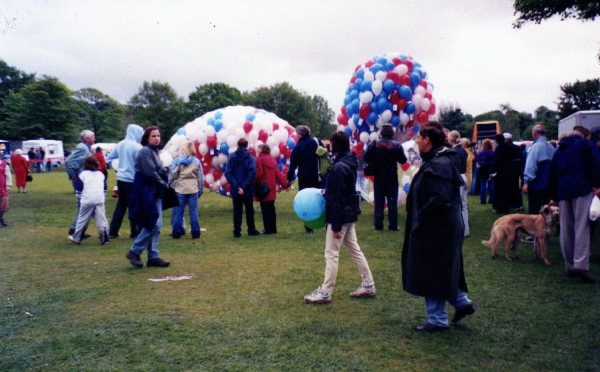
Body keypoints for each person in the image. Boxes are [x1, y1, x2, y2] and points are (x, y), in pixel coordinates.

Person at [402, 122, 476, 332]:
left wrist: (422, 219)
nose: (416, 140)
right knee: (439, 269)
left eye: (419, 137)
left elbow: (439, 198)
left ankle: (437, 319)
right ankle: (462, 303)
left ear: (427, 140)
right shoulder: (436, 160)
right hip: (438, 226)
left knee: (432, 269)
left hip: (437, 228)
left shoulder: (440, 164)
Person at [304, 131, 376, 304]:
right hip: (348, 213)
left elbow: (336, 199)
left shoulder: (339, 167)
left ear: (334, 145)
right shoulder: (348, 162)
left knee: (331, 253)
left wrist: (336, 226)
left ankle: (325, 292)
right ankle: (368, 285)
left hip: (341, 216)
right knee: (354, 250)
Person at [550, 127, 600, 283]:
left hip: (563, 190)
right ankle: (581, 264)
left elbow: (553, 173)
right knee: (582, 227)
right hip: (582, 187)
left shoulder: (559, 150)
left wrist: (553, 196)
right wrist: (597, 184)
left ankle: (570, 265)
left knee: (566, 229)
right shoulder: (586, 145)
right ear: (584, 136)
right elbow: (596, 163)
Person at [125, 126, 170, 268]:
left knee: (157, 225)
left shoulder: (154, 151)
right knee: (153, 223)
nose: (156, 138)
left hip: (155, 190)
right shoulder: (144, 152)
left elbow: (159, 169)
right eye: (153, 136)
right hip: (145, 191)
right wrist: (163, 183)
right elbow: (150, 172)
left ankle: (153, 256)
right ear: (147, 138)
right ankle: (134, 251)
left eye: (158, 136)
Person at [362, 124, 407, 231]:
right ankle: (393, 225)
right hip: (391, 177)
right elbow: (403, 160)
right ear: (392, 132)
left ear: (381, 132)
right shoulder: (397, 145)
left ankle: (378, 224)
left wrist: (375, 162)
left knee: (379, 201)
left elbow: (366, 157)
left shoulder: (375, 144)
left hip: (379, 176)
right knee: (392, 202)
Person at [107, 124, 144, 239]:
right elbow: (141, 164)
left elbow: (109, 159)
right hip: (132, 180)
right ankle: (135, 231)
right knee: (134, 206)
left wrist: (118, 167)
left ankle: (113, 230)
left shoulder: (120, 144)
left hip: (121, 179)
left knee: (121, 205)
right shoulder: (137, 147)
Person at [68, 156, 110, 245]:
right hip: (99, 198)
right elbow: (105, 188)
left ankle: (76, 238)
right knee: (101, 219)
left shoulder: (83, 174)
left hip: (87, 199)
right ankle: (105, 237)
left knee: (82, 219)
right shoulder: (101, 174)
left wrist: (80, 197)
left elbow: (79, 189)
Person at [287, 125, 321, 233]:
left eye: (297, 133)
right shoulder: (315, 142)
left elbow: (293, 164)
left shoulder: (299, 146)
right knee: (317, 199)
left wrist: (289, 177)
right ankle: (321, 220)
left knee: (305, 201)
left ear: (300, 134)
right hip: (316, 175)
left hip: (304, 177)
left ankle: (309, 227)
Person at [225, 138, 260, 238]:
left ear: (237, 145)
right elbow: (252, 173)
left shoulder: (231, 158)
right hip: (247, 189)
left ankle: (237, 231)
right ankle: (251, 229)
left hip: (236, 190)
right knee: (249, 210)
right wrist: (244, 187)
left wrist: (236, 187)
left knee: (237, 210)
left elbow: (228, 173)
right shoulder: (250, 158)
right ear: (247, 146)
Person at [169, 140, 204, 239]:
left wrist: (169, 184)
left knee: (178, 213)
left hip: (180, 189)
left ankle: (176, 233)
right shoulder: (196, 162)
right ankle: (195, 233)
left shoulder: (177, 161)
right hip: (193, 189)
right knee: (193, 212)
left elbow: (173, 175)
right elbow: (200, 178)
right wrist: (200, 190)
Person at [65, 130, 95, 236]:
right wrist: (73, 175)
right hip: (81, 180)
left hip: (83, 179)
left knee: (83, 206)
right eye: (93, 137)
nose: (94, 139)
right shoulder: (82, 147)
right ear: (87, 138)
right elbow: (69, 161)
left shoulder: (85, 148)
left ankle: (78, 230)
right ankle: (75, 230)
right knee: (84, 206)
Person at [254, 144, 289, 234]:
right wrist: (285, 184)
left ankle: (267, 229)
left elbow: (259, 174)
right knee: (271, 208)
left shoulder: (259, 159)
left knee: (265, 210)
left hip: (263, 187)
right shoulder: (272, 159)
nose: (257, 149)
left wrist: (254, 182)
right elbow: (278, 174)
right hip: (271, 187)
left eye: (258, 148)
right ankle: (273, 229)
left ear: (262, 150)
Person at [522, 124, 555, 214]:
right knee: (547, 213)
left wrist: (526, 182)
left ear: (535, 134)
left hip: (536, 185)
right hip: (549, 185)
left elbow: (531, 166)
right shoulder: (551, 148)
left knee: (535, 213)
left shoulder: (535, 147)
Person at [492, 133, 522, 214]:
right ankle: (510, 206)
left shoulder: (499, 148)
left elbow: (497, 161)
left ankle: (500, 207)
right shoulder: (511, 147)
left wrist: (494, 171)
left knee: (500, 191)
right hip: (510, 172)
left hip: (501, 173)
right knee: (508, 190)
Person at [448, 130, 470, 237]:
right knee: (464, 205)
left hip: (457, 177)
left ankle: (458, 229)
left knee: (457, 204)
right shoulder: (463, 150)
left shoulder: (454, 152)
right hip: (463, 176)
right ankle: (465, 230)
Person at [477, 139, 495, 205]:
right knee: (490, 185)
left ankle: (483, 200)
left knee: (482, 184)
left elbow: (478, 161)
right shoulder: (493, 152)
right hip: (490, 170)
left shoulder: (481, 153)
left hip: (482, 169)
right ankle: (491, 199)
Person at [0, 155, 12, 227]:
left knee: (3, 206)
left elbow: (8, 176)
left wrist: (8, 186)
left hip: (2, 188)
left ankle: (1, 219)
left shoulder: (4, 164)